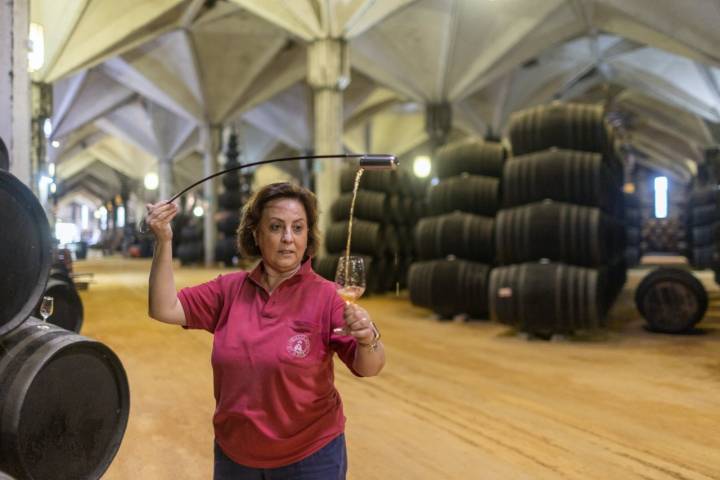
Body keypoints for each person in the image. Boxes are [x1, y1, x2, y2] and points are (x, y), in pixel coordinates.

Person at [146, 181, 385, 479]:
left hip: (310, 459)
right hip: (236, 458)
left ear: (308, 235)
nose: (288, 238)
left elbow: (370, 366)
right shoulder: (228, 290)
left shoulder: (328, 297)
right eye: (275, 227)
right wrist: (164, 240)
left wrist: (368, 339)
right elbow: (163, 308)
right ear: (256, 234)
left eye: (298, 228)